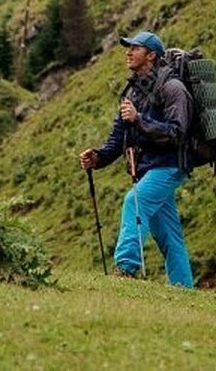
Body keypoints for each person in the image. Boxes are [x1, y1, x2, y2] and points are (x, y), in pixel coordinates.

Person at [79, 30, 194, 287]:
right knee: (168, 234)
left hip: (170, 165)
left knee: (135, 201)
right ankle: (184, 287)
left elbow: (178, 132)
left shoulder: (173, 87)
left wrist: (140, 119)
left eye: (135, 48)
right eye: (128, 48)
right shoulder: (132, 92)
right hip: (147, 168)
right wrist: (98, 157)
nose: (128, 52)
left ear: (151, 55)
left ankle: (126, 268)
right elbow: (118, 136)